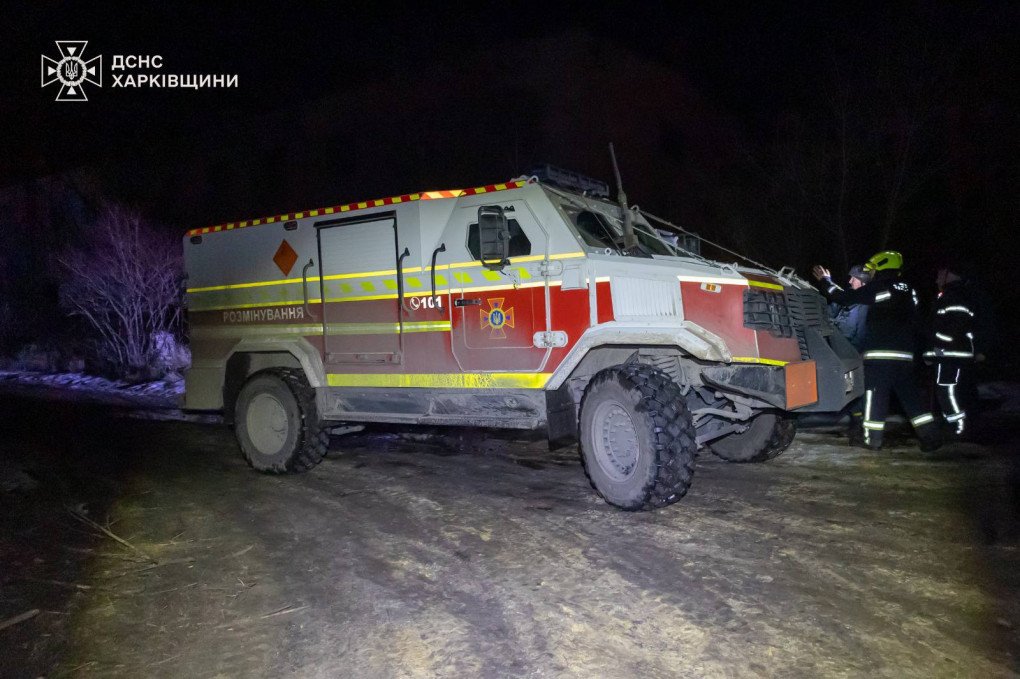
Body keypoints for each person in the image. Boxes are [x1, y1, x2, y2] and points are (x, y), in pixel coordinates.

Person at [812, 251, 941, 451]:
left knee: (875, 398)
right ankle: (931, 437)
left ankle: (872, 440)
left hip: (881, 356)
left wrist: (826, 281)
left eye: (872, 270)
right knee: (912, 399)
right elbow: (919, 322)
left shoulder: (881, 287)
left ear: (881, 267)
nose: (870, 274)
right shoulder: (909, 290)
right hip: (906, 357)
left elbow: (845, 298)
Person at [924, 264, 987, 438]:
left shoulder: (953, 296)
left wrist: (936, 347)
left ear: (948, 275)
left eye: (939, 275)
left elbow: (953, 328)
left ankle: (957, 425)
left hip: (950, 354)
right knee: (955, 390)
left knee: (946, 390)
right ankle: (961, 424)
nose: (936, 279)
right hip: (954, 353)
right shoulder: (958, 295)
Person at [828, 265, 871, 444]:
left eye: (853, 278)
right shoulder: (849, 299)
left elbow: (861, 329)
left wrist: (859, 352)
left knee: (856, 389)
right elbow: (832, 315)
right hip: (844, 351)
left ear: (862, 281)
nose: (850, 281)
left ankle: (859, 426)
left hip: (854, 352)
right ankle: (856, 423)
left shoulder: (865, 302)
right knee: (849, 388)